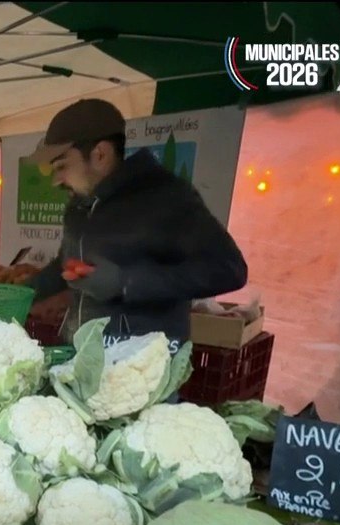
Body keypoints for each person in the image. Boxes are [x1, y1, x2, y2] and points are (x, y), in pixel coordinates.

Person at [24, 98, 248, 347]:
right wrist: (24, 293)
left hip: (143, 361)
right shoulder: (79, 205)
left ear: (100, 154)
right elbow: (66, 263)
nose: (56, 180)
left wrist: (126, 283)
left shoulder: (165, 197)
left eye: (62, 166)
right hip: (82, 354)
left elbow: (229, 270)